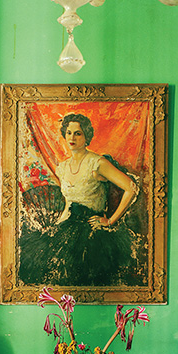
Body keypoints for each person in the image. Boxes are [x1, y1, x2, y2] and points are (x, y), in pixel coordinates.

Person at [18, 112, 144, 287]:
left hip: (93, 230)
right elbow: (69, 203)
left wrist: (109, 221)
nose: (72, 137)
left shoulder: (96, 163)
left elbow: (131, 187)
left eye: (78, 133)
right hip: (70, 226)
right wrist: (56, 226)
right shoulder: (62, 167)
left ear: (86, 137)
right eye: (69, 132)